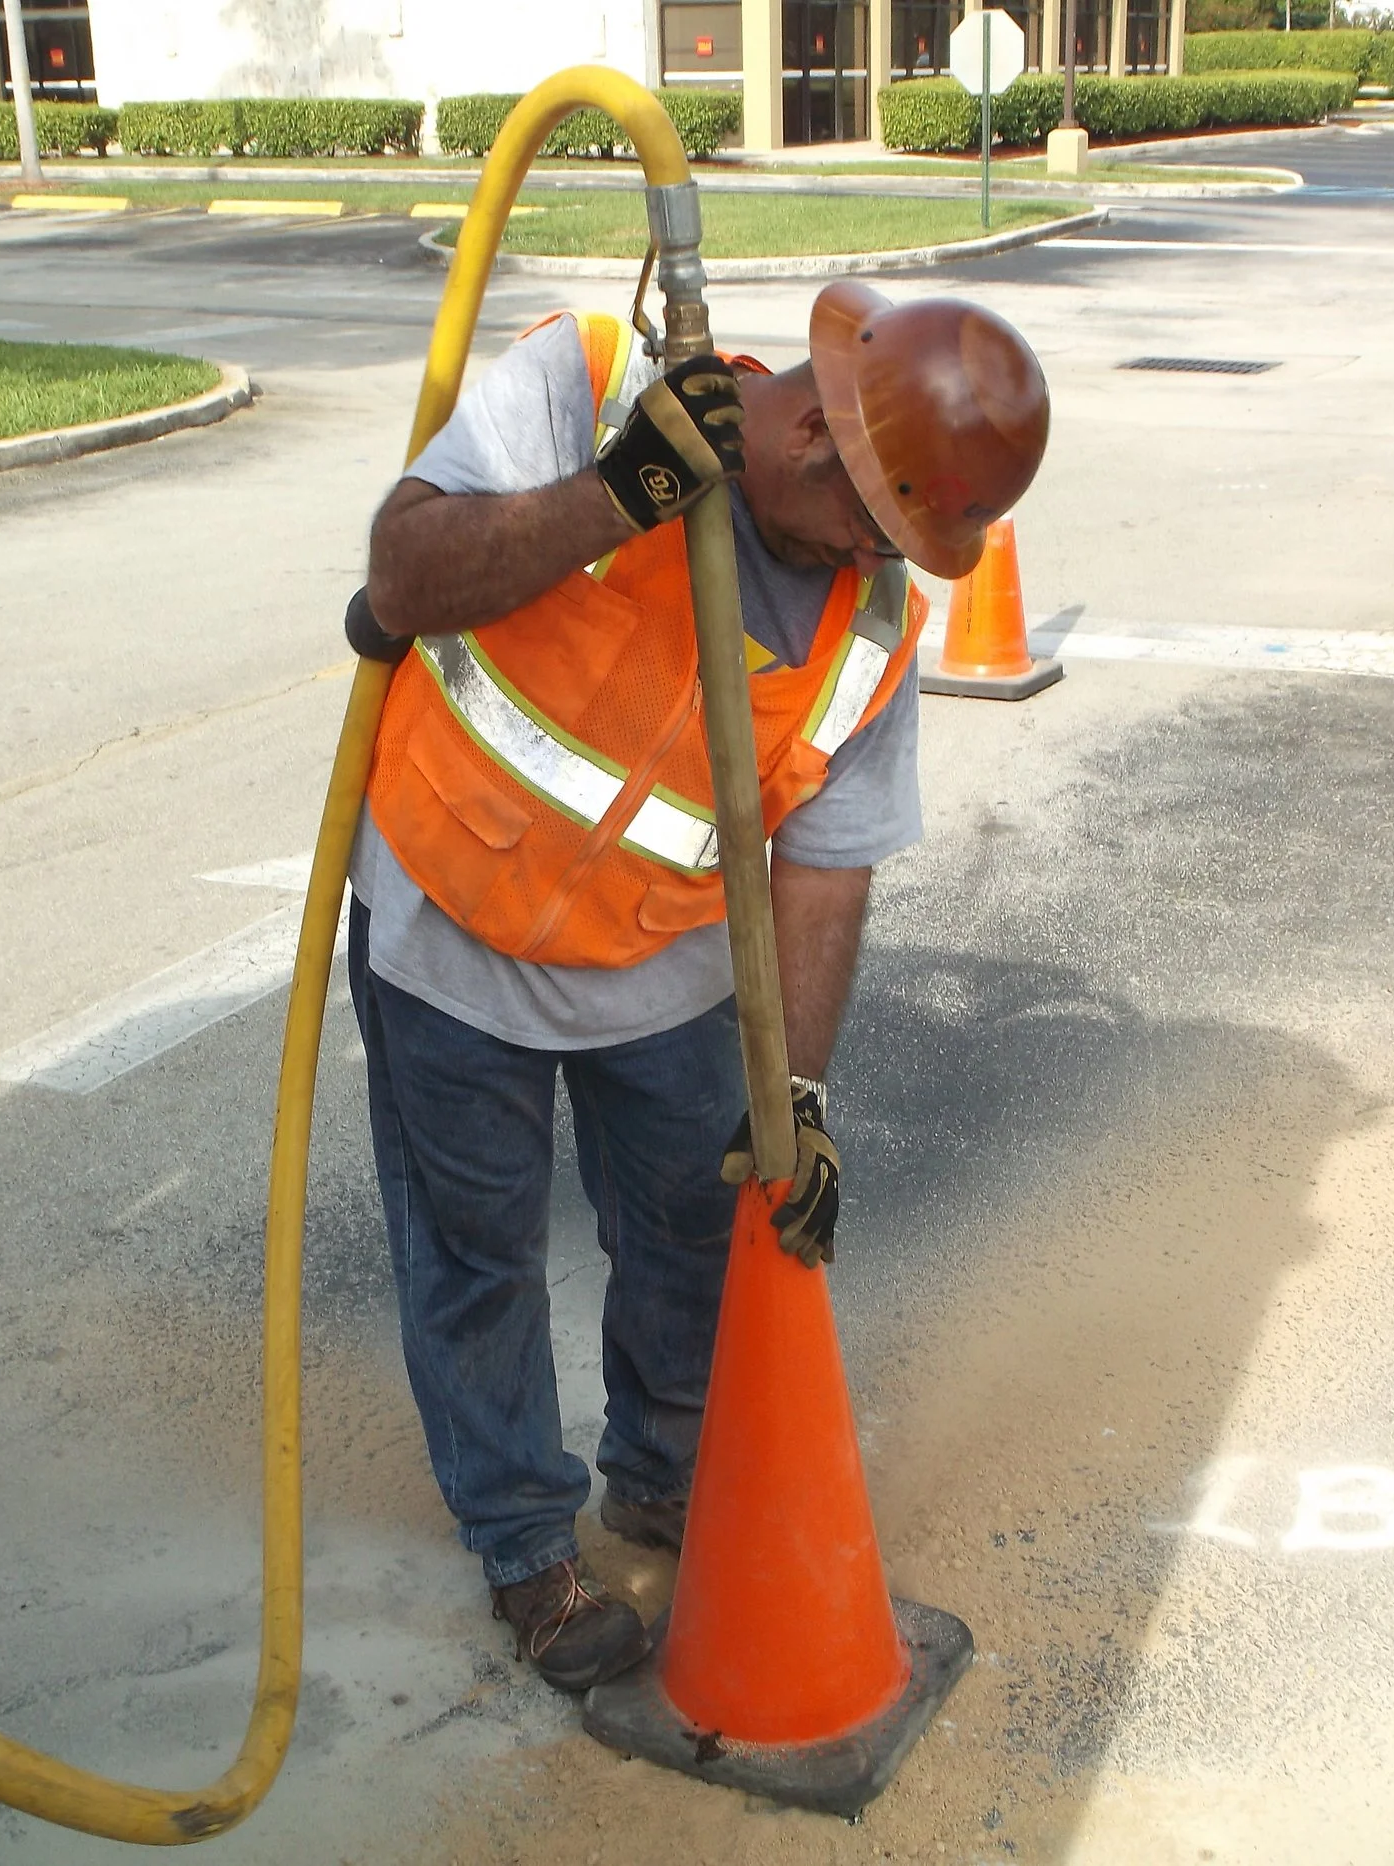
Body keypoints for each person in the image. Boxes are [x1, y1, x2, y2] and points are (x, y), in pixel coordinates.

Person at [348, 281, 1048, 1691]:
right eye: (883, 522)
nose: (887, 558)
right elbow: (402, 580)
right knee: (474, 1259)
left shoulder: (872, 627)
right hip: (449, 920)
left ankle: (662, 1478)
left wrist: (792, 1088)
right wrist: (618, 496)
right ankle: (524, 1548)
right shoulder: (589, 382)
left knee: (694, 1230)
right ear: (810, 452)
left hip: (659, 967)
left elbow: (827, 870)